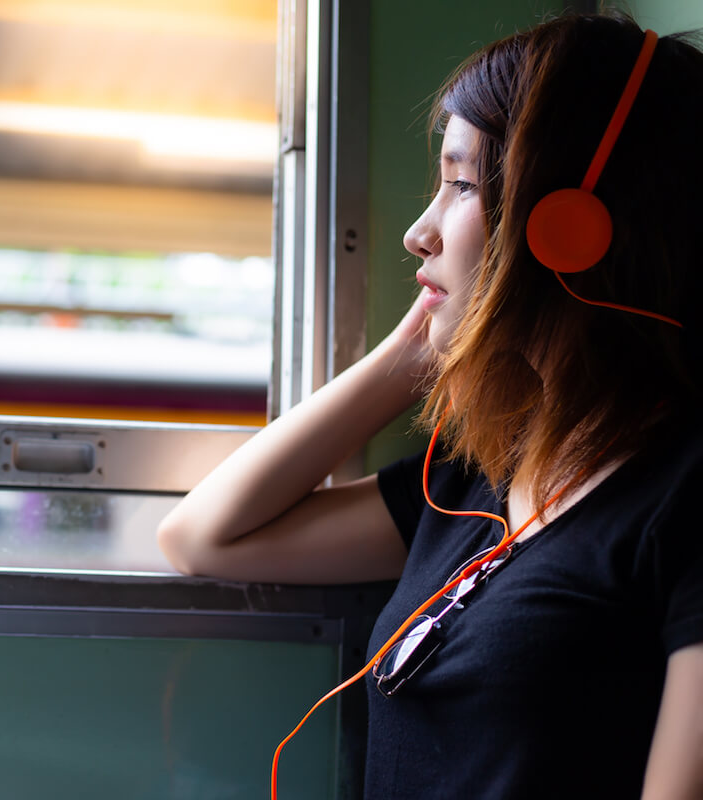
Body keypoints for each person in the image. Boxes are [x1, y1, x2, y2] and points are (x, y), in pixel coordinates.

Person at [156, 12, 703, 800]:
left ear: (570, 227)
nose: (420, 232)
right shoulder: (482, 477)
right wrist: (415, 351)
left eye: (462, 185)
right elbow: (203, 537)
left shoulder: (686, 500)